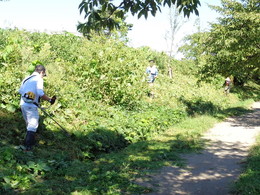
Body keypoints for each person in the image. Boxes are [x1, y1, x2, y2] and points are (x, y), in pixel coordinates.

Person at [19, 65, 56, 151]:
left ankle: (29, 143)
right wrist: (50, 100)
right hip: (31, 106)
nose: (43, 76)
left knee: (29, 124)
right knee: (33, 124)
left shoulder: (26, 78)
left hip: (23, 104)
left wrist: (29, 97)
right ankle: (28, 146)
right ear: (42, 72)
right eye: (43, 74)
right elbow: (40, 93)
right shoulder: (39, 79)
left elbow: (20, 91)